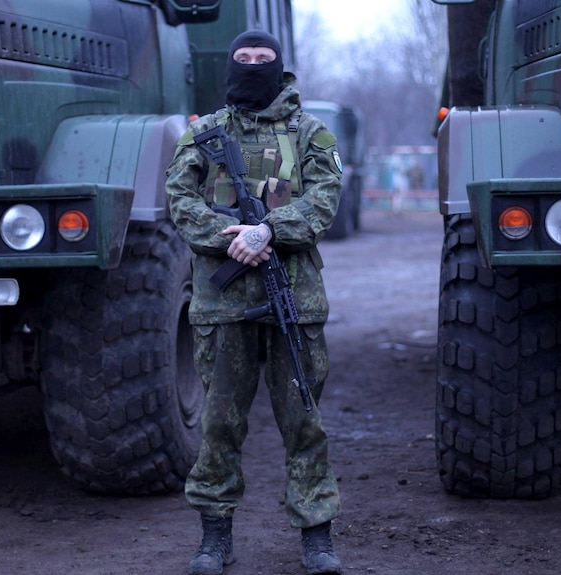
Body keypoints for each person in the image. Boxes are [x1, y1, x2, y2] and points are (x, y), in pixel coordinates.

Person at [165, 30, 344, 575]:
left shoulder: (312, 133)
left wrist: (269, 231)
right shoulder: (204, 135)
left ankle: (316, 538)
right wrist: (231, 237)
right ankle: (214, 540)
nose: (251, 68)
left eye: (262, 61)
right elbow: (179, 199)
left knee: (304, 424)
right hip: (223, 306)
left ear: (280, 68)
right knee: (220, 424)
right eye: (242, 60)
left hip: (293, 300)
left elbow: (326, 198)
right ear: (229, 68)